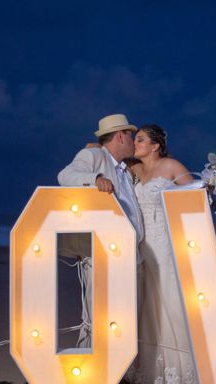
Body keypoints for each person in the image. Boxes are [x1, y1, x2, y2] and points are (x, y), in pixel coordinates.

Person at [57, 114, 144, 348]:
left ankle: (117, 367)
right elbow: (65, 176)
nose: (133, 142)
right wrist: (95, 179)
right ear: (119, 136)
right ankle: (90, 362)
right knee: (98, 311)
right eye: (131, 136)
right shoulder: (94, 156)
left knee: (123, 315)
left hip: (128, 253)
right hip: (102, 251)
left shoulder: (127, 169)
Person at [125, 124, 197, 384]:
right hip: (142, 244)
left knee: (167, 299)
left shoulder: (170, 166)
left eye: (141, 139)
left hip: (164, 244)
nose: (135, 143)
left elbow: (195, 196)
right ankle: (145, 367)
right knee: (145, 302)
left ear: (155, 145)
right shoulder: (133, 168)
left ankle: (180, 366)